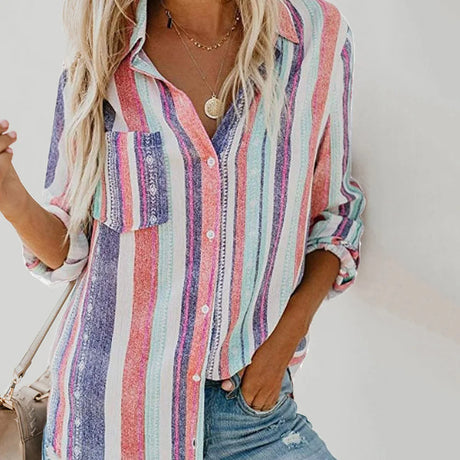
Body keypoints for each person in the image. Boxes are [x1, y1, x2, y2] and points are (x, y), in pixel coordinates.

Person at [0, 0, 366, 458]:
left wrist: (281, 346)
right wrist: (9, 194)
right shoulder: (102, 56)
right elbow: (70, 251)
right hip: (111, 426)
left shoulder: (314, 38)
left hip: (251, 419)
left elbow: (335, 219)